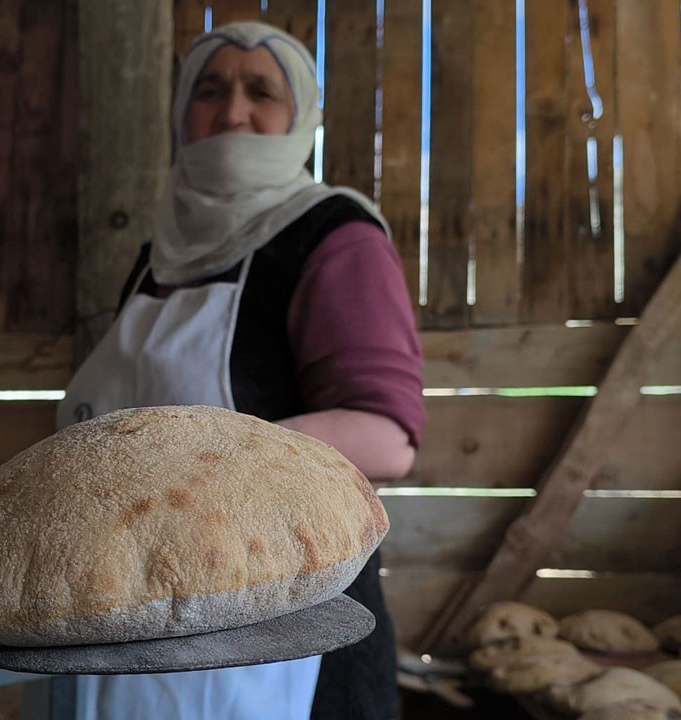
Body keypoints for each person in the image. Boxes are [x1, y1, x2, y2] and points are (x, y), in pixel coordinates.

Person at [57, 21, 424, 720]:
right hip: (140, 609)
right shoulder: (158, 256)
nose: (231, 112)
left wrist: (196, 469)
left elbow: (384, 436)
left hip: (291, 618)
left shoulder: (333, 235)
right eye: (209, 90)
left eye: (262, 92)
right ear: (181, 114)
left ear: (302, 118)